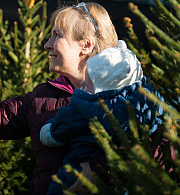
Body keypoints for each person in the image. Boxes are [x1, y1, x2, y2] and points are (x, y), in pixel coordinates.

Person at [0, 2, 119, 194]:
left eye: (56, 36)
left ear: (85, 45)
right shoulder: (42, 98)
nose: (47, 45)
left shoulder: (126, 100)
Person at [40, 40, 164, 194]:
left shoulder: (85, 107)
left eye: (89, 83)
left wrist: (47, 132)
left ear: (102, 89)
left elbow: (57, 130)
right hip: (130, 177)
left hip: (81, 168)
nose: (83, 86)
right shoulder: (148, 104)